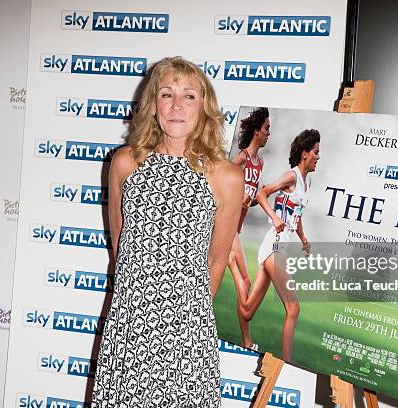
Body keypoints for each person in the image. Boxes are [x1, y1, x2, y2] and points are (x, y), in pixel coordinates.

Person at [91, 56, 243, 408]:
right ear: (152, 105)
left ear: (203, 108)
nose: (177, 105)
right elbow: (121, 243)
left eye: (189, 96)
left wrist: (181, 318)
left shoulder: (226, 176)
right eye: (166, 94)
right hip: (129, 324)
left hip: (186, 332)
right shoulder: (125, 162)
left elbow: (216, 263)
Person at [237, 129, 320, 362]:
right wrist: (274, 217)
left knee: (248, 311)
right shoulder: (290, 177)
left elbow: (297, 214)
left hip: (281, 245)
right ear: (304, 154)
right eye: (315, 152)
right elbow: (263, 193)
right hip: (274, 243)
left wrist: (303, 238)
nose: (318, 157)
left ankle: (234, 269)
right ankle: (287, 363)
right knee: (293, 308)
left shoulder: (307, 182)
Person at [227, 107, 270, 349]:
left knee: (246, 283)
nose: (268, 133)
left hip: (238, 229)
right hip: (229, 228)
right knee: (244, 280)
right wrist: (238, 199)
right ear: (256, 131)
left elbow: (249, 197)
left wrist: (257, 197)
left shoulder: (259, 162)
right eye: (266, 128)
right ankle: (246, 340)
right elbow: (222, 184)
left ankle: (246, 340)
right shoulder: (242, 158)